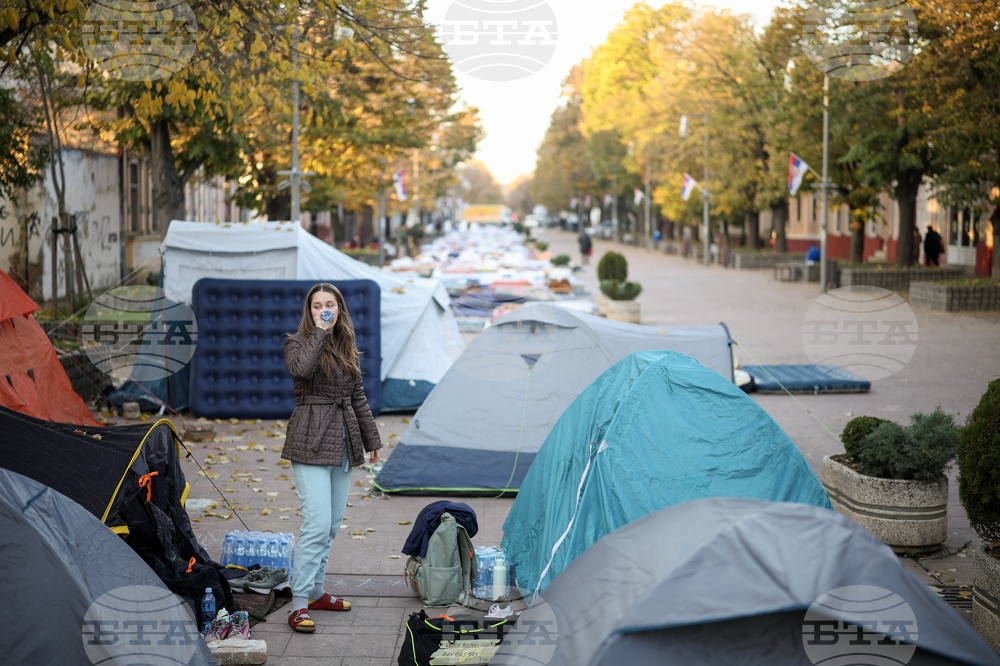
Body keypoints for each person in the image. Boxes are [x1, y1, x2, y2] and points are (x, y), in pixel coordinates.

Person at [282, 283, 382, 633]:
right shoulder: (297, 342)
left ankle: (317, 591)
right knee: (316, 524)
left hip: (343, 440)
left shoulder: (347, 346)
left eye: (330, 305)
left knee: (333, 524)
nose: (323, 310)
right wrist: (320, 333)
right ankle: (298, 604)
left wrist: (372, 438)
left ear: (340, 308)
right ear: (309, 312)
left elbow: (358, 397)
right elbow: (302, 371)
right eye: (316, 306)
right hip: (310, 438)